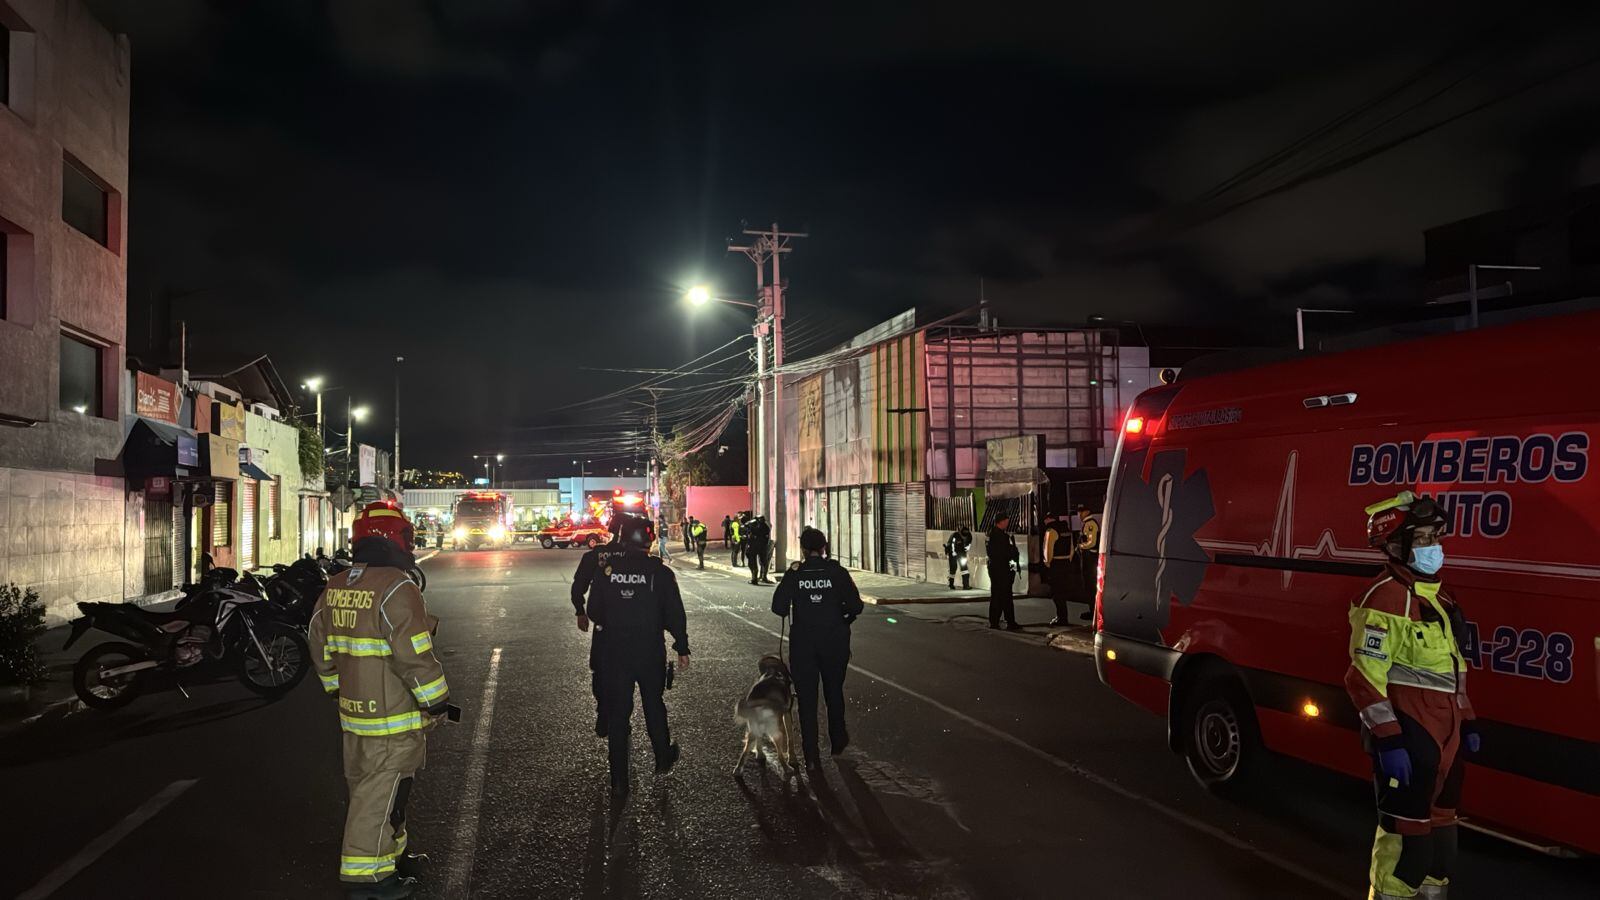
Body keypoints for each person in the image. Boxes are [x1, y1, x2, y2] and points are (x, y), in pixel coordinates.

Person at [308, 501, 449, 899]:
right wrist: (436, 700)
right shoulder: (397, 587)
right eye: (407, 537)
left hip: (355, 716)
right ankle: (368, 879)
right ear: (391, 540)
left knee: (388, 792)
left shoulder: (337, 585)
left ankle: (393, 857)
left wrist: (336, 688)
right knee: (378, 795)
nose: (411, 545)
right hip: (392, 716)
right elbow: (414, 653)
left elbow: (317, 643)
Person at [1345, 491, 1478, 900]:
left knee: (1442, 849)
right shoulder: (1383, 599)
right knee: (1406, 849)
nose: (1433, 547)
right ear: (1395, 545)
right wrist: (1389, 740)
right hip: (1409, 735)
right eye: (1422, 539)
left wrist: (1468, 721)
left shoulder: (1440, 598)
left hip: (1445, 737)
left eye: (1436, 537)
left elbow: (1453, 668)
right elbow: (1363, 679)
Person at [586, 516, 690, 798]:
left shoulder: (607, 571)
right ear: (649, 540)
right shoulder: (660, 573)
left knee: (618, 714)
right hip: (649, 651)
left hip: (615, 652)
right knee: (654, 704)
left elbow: (594, 611)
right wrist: (682, 646)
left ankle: (619, 779)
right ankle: (662, 757)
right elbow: (674, 613)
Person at [771, 526, 863, 769]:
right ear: (824, 548)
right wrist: (842, 618)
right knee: (834, 692)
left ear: (803, 549)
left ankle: (811, 756)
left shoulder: (796, 573)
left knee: (807, 701)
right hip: (834, 644)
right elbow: (856, 606)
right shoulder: (837, 572)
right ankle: (838, 741)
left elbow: (778, 607)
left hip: (804, 647)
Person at [571, 515, 638, 738]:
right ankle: (621, 717)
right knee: (628, 672)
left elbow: (578, 585)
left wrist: (580, 611)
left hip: (604, 625)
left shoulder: (597, 555)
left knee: (600, 669)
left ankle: (603, 710)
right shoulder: (637, 556)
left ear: (611, 531)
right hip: (632, 626)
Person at [985, 513, 1020, 630]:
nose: (1008, 523)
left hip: (994, 568)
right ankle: (1009, 622)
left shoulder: (991, 534)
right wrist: (1013, 552)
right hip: (1001, 568)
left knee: (997, 595)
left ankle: (995, 621)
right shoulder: (1000, 536)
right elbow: (1005, 552)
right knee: (1005, 596)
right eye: (1006, 521)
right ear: (1002, 521)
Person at [1042, 514, 1074, 625]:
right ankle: (1063, 617)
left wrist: (1047, 563)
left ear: (1048, 519)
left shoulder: (1050, 531)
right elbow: (1071, 548)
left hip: (1056, 564)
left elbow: (1048, 550)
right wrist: (1068, 559)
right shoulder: (1066, 529)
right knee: (1063, 591)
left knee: (1056, 593)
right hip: (1066, 562)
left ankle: (1061, 618)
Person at [1075, 504, 1101, 621]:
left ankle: (1094, 612)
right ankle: (1092, 610)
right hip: (1088, 558)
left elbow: (1091, 542)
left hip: (1090, 558)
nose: (1079, 514)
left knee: (1090, 586)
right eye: (1078, 512)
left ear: (1088, 511)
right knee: (1088, 586)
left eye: (1082, 511)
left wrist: (1080, 546)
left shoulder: (1090, 524)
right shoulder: (1087, 523)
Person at [746, 514, 773, 585]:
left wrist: (749, 526)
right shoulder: (765, 527)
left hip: (754, 547)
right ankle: (763, 577)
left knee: (753, 562)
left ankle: (755, 579)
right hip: (762, 547)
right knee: (763, 562)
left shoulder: (754, 526)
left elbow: (750, 532)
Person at [944, 525, 972, 589]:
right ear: (960, 533)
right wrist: (954, 554)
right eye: (963, 536)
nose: (964, 538)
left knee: (964, 568)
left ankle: (966, 585)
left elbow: (969, 545)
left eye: (965, 537)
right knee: (953, 568)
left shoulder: (969, 536)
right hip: (952, 552)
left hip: (961, 552)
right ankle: (951, 584)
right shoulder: (955, 535)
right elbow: (952, 545)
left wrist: (966, 550)